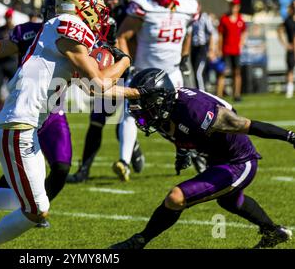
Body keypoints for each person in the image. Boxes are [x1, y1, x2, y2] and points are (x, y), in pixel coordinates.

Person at [0, 0, 140, 249]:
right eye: (97, 10)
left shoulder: (62, 35)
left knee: (22, 200)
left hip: (25, 125)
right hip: (18, 126)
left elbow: (96, 89)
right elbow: (101, 83)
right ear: (85, 8)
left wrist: (138, 93)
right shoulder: (67, 25)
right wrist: (126, 59)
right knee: (37, 211)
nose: (101, 17)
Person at [109, 68, 294, 249]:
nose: (140, 114)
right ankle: (274, 232)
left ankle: (139, 241)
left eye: (144, 106)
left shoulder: (197, 111)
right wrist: (182, 151)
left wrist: (289, 136)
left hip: (239, 162)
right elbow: (182, 133)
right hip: (218, 159)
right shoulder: (164, 111)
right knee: (229, 200)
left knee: (176, 197)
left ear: (159, 99)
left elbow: (246, 124)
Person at [113, 0, 202, 181]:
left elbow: (187, 34)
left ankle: (197, 153)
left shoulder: (188, 7)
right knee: (130, 113)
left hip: (172, 72)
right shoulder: (144, 6)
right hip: (144, 73)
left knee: (185, 115)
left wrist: (185, 60)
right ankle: (124, 161)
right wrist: (127, 64)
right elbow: (123, 36)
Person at [66, 0, 145, 184]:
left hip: (128, 69)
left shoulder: (133, 13)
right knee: (97, 121)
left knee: (126, 121)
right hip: (106, 71)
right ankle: (84, 170)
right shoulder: (98, 12)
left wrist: (129, 61)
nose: (109, 1)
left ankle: (131, 148)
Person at [216, 0, 247, 101]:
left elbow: (244, 31)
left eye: (236, 6)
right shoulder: (224, 18)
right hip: (226, 50)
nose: (234, 8)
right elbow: (220, 34)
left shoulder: (240, 19)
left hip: (236, 51)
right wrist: (219, 48)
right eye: (232, 5)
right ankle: (219, 95)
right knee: (222, 72)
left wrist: (241, 43)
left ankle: (236, 94)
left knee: (237, 72)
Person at [0, 8, 17, 112]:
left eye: (9, 17)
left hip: (12, 61)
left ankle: (17, 104)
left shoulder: (16, 30)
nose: (8, 19)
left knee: (16, 85)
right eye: (7, 17)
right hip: (1, 62)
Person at [190, 10, 216, 91]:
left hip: (202, 48)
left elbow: (212, 33)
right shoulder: (191, 17)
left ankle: (201, 92)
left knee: (199, 72)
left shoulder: (205, 17)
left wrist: (211, 49)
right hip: (193, 48)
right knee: (194, 72)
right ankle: (197, 91)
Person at [277, 0, 295, 99]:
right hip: (291, 49)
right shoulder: (288, 20)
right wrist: (285, 44)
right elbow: (279, 30)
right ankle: (289, 89)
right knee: (290, 70)